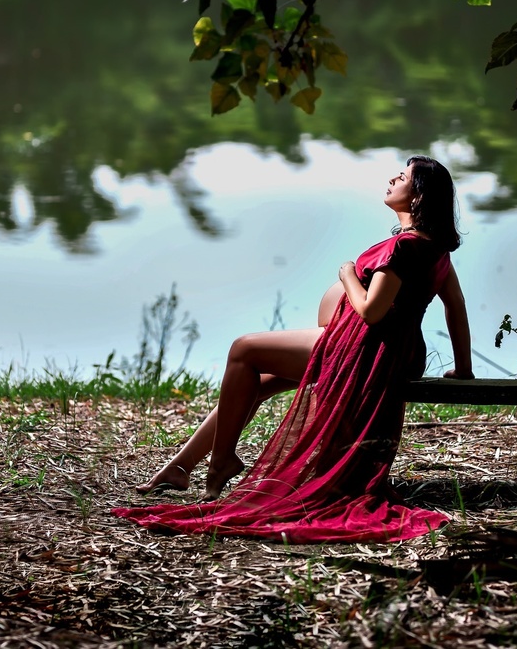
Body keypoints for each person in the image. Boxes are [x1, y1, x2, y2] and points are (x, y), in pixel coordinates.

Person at [112, 156, 472, 543]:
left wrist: (348, 274)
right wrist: (463, 368)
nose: (391, 179)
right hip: (387, 350)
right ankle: (181, 466)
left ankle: (219, 463)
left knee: (244, 350)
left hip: (363, 349)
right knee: (260, 382)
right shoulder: (435, 250)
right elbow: (456, 306)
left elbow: (371, 311)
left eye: (402, 177)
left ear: (417, 196)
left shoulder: (404, 246)